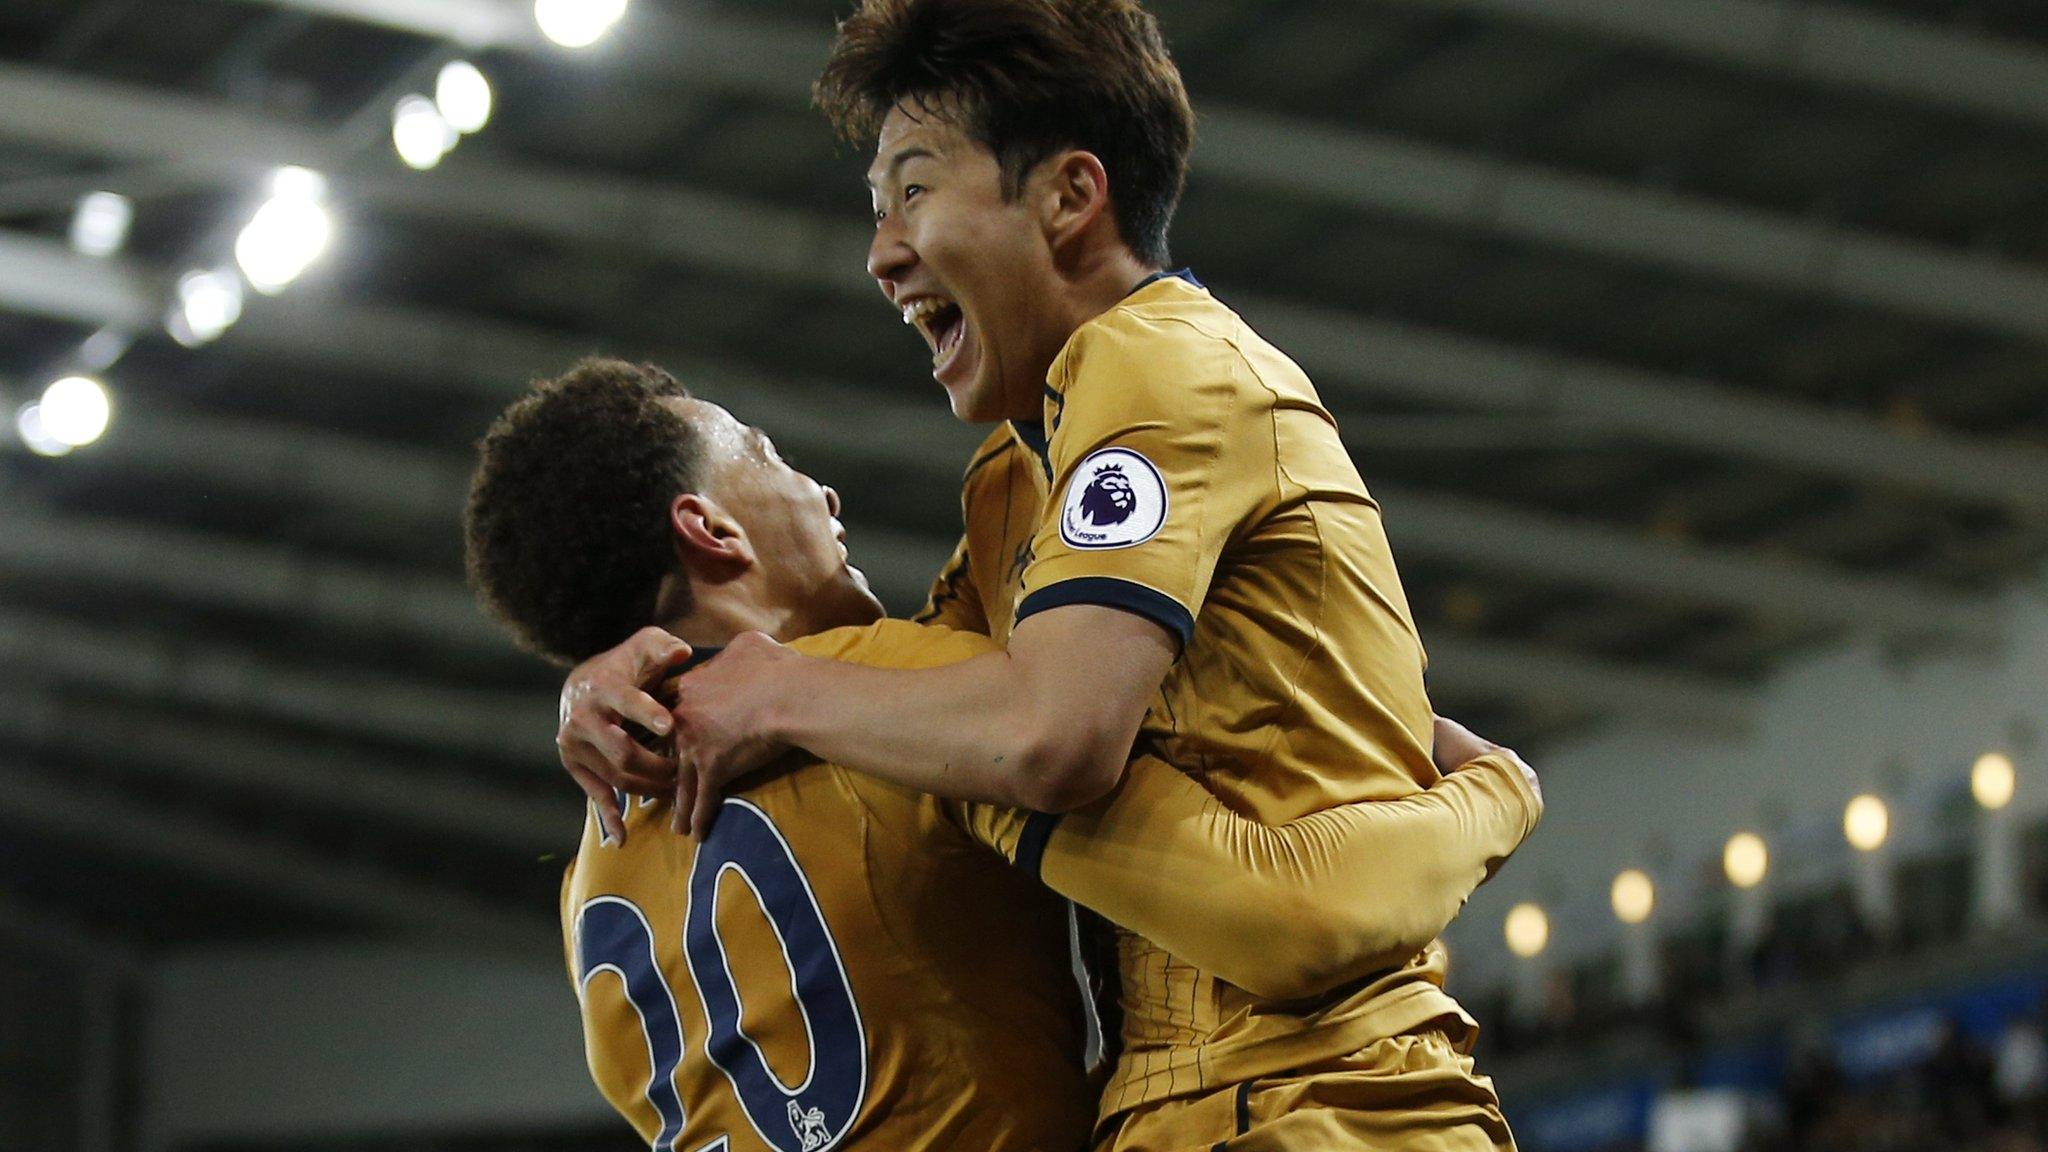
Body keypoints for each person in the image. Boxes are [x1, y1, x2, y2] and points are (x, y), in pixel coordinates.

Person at [562, 1, 1531, 1147]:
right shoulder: (1012, 482)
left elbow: (1047, 737)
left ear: (1071, 197)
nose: (878, 253)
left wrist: (757, 684)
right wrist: (632, 672)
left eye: (913, 191)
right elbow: (910, 676)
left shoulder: (1158, 364)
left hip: (1331, 1102)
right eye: (876, 209)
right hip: (1175, 1103)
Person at [467, 360, 1542, 1150]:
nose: (821, 492)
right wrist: (1496, 791)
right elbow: (1279, 906)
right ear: (711, 531)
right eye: (770, 457)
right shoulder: (902, 707)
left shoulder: (590, 875)